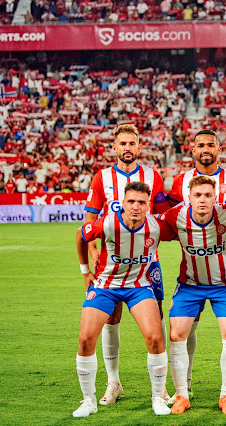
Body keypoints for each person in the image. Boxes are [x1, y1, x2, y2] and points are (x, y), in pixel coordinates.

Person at [83, 124, 169, 405]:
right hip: (112, 262)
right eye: (123, 143)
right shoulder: (102, 177)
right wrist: (93, 250)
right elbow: (90, 217)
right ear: (115, 147)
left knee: (156, 321)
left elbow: (163, 216)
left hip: (147, 263)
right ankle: (113, 382)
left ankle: (161, 387)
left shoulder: (152, 176)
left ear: (139, 147)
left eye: (132, 143)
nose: (127, 148)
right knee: (111, 317)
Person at [73, 182, 174, 417]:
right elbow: (81, 233)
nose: (136, 207)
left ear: (149, 205)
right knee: (86, 339)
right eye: (131, 202)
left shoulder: (157, 226)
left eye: (141, 202)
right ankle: (88, 401)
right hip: (105, 285)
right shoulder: (108, 222)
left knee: (155, 337)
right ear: (123, 203)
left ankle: (158, 397)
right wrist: (85, 270)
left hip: (138, 285)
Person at [167, 129, 226, 402]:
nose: (205, 149)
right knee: (186, 328)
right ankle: (185, 384)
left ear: (219, 149)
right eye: (200, 144)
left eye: (210, 145)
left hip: (225, 270)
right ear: (192, 149)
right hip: (191, 273)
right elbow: (165, 219)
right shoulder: (180, 182)